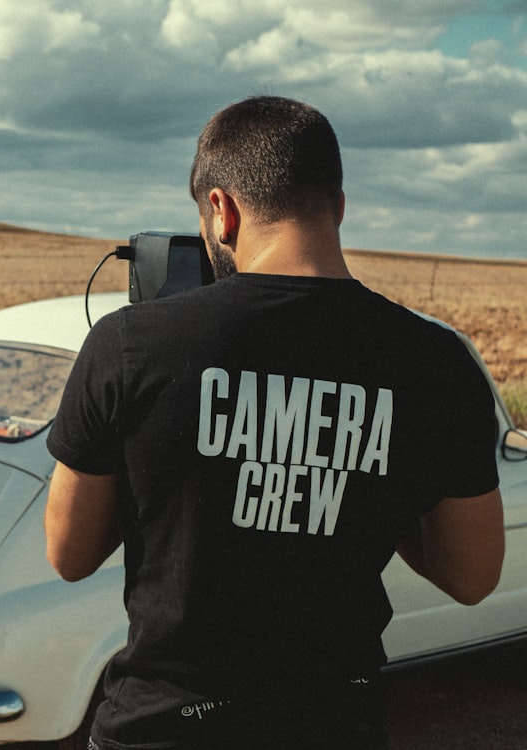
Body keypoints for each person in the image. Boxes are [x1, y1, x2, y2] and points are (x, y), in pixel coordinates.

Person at [44, 97, 505, 749]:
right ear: (339, 206)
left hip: (167, 724)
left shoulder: (130, 345)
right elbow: (472, 576)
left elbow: (69, 555)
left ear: (220, 209)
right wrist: (373, 481)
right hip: (334, 722)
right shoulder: (435, 362)